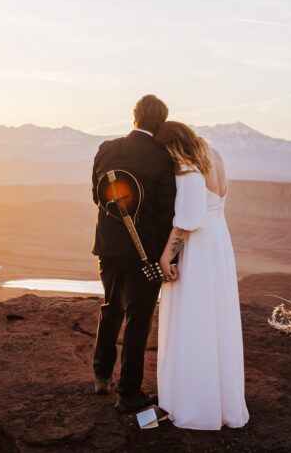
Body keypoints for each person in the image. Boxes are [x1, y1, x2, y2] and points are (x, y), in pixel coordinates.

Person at [154, 121, 249, 430]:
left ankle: (196, 405)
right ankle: (223, 404)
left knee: (194, 317)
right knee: (216, 318)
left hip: (198, 248)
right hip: (219, 241)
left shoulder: (188, 169)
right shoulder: (215, 156)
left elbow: (188, 219)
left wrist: (167, 254)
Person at [90, 95, 176, 414]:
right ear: (162, 122)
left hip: (109, 246)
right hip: (146, 254)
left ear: (134, 117)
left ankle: (101, 374)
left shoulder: (107, 149)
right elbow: (168, 211)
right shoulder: (164, 158)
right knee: (138, 319)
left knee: (111, 306)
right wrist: (169, 257)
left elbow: (99, 197)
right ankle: (128, 393)